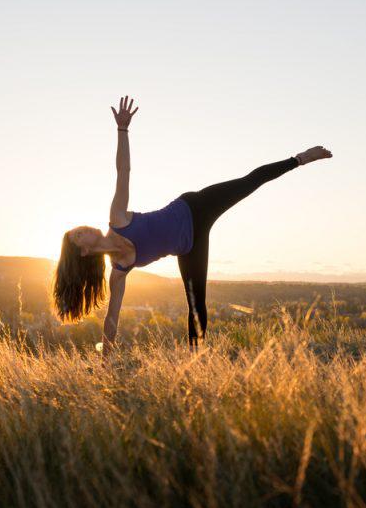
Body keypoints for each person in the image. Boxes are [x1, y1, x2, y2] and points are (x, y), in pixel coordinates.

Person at [52, 95, 332, 351]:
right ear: (84, 253)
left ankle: (301, 158)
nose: (83, 229)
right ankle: (196, 362)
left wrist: (122, 130)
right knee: (196, 305)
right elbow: (112, 317)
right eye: (78, 236)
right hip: (189, 246)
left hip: (194, 207)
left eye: (78, 229)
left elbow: (123, 170)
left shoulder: (117, 219)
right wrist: (106, 359)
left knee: (249, 182)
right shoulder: (119, 271)